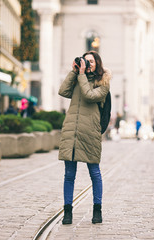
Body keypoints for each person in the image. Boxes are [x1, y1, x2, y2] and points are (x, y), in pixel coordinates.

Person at [58, 51, 111, 225]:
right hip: (72, 131)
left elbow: (89, 95)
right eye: (85, 61)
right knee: (69, 175)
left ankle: (97, 210)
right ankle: (67, 212)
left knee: (94, 173)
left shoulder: (103, 83)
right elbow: (63, 91)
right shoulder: (77, 77)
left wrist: (81, 75)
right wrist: (74, 72)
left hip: (90, 132)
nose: (88, 64)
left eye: (91, 61)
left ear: (97, 64)